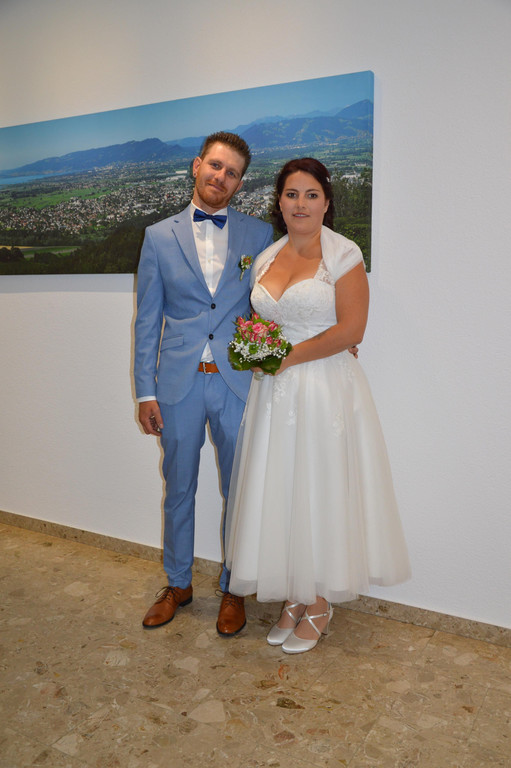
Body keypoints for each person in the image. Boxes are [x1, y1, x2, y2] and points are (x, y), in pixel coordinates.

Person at [225, 157, 411, 654]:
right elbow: (263, 322)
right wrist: (259, 349)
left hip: (325, 388)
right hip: (274, 393)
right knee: (283, 486)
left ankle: (321, 600)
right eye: (291, 194)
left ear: (327, 202)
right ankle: (295, 594)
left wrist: (286, 357)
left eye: (311, 194)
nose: (301, 204)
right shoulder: (267, 258)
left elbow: (352, 330)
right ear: (279, 201)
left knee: (320, 486)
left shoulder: (344, 254)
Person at [134, 132, 273, 635]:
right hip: (179, 386)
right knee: (179, 488)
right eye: (215, 165)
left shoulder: (259, 235)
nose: (221, 177)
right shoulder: (158, 237)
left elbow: (272, 305)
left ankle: (235, 587)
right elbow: (147, 320)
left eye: (232, 172)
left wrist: (325, 338)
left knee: (240, 491)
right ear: (197, 166)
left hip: (238, 384)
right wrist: (145, 392)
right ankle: (178, 584)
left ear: (240, 183)